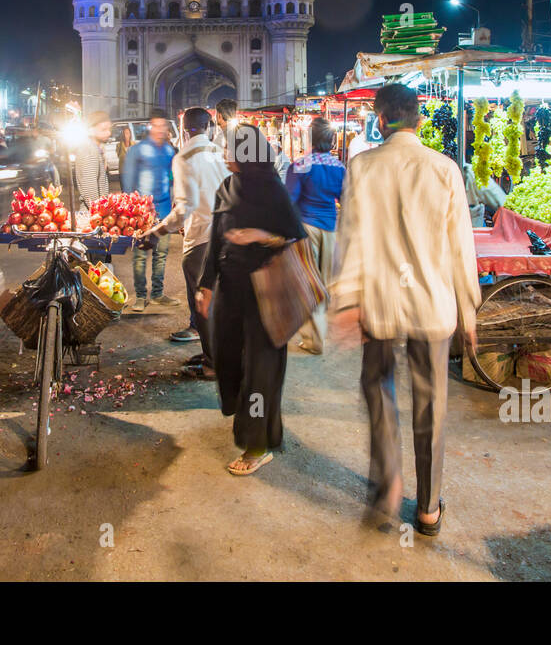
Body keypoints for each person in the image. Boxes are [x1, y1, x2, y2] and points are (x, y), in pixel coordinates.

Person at [330, 83, 480, 536]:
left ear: (380, 120)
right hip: (432, 304)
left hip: (379, 302)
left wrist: (346, 300)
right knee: (431, 404)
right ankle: (430, 506)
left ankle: (390, 482)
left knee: (378, 389)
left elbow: (350, 239)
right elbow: (461, 247)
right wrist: (469, 312)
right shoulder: (444, 168)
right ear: (419, 119)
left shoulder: (362, 167)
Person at [196, 123, 306, 476]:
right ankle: (254, 426)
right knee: (228, 360)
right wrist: (206, 284)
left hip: (265, 294)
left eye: (232, 149)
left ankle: (256, 445)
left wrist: (261, 235)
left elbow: (295, 236)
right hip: (230, 291)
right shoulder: (226, 186)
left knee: (261, 372)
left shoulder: (272, 189)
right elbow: (216, 239)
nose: (226, 154)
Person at [144, 106, 228, 375]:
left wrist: (157, 232)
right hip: (225, 235)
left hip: (201, 240)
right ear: (208, 127)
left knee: (202, 302)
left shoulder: (184, 157)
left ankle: (213, 365)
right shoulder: (220, 153)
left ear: (184, 129)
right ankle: (211, 355)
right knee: (217, 303)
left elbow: (184, 208)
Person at [284, 117, 346, 354]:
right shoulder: (339, 167)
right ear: (330, 140)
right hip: (330, 229)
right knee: (324, 282)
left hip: (306, 228)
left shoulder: (300, 165)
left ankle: (314, 338)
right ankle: (318, 332)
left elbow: (290, 202)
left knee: (307, 284)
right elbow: (346, 199)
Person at [122, 108, 178, 311]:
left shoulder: (169, 151)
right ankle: (139, 296)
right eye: (156, 125)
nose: (160, 129)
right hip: (141, 214)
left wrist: (174, 198)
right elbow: (127, 181)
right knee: (140, 255)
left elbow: (172, 177)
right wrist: (130, 212)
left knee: (161, 254)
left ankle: (157, 294)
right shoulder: (137, 150)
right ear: (149, 127)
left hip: (163, 211)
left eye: (164, 126)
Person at [72, 110, 112, 221]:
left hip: (94, 216)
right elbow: (90, 192)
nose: (108, 133)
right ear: (90, 130)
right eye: (103, 129)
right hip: (92, 218)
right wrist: (102, 218)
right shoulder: (88, 150)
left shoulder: (94, 149)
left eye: (109, 129)